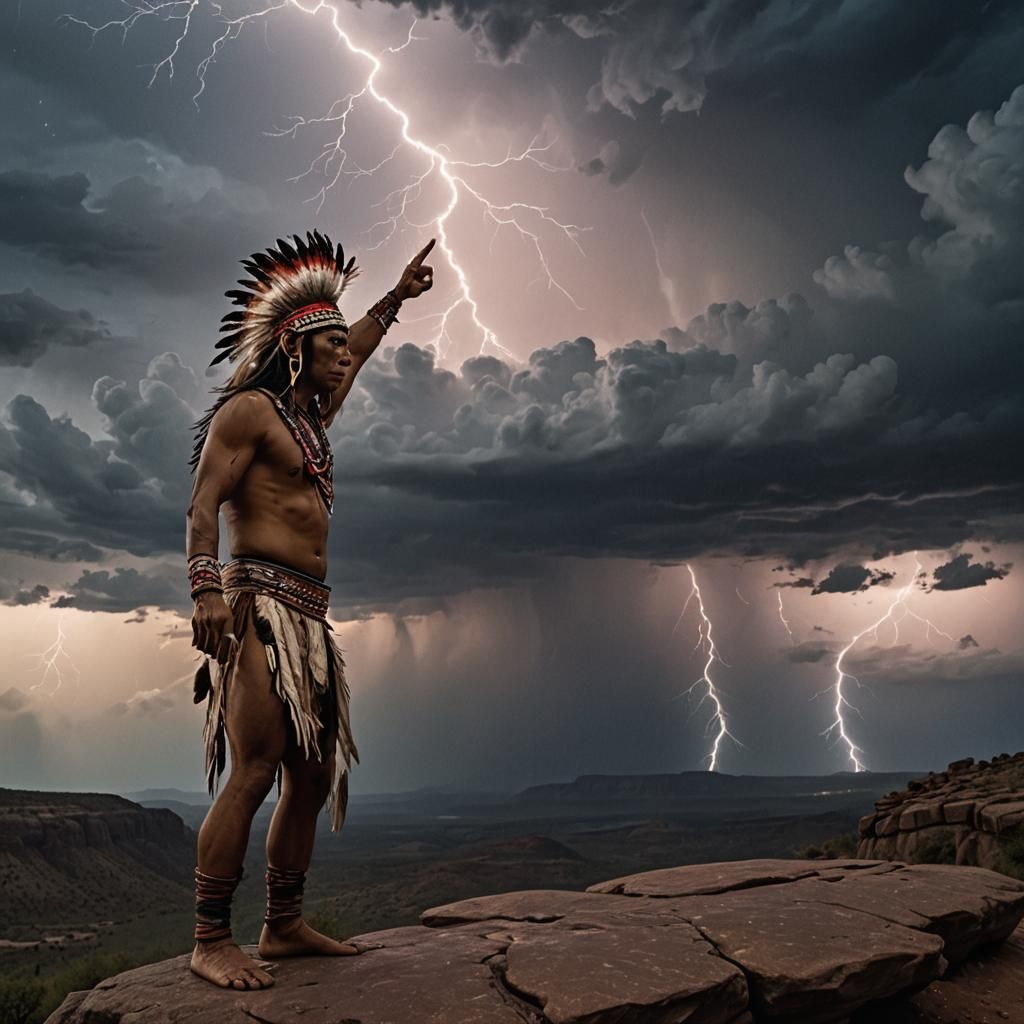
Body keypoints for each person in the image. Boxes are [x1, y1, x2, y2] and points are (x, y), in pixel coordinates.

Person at [185, 231, 435, 990]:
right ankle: (208, 939)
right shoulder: (250, 414)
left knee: (313, 773)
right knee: (255, 769)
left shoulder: (310, 424)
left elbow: (356, 349)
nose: (341, 355)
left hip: (311, 622)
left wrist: (395, 299)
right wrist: (205, 587)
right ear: (295, 349)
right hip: (259, 609)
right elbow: (202, 504)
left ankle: (282, 925)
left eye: (340, 343)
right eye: (327, 343)